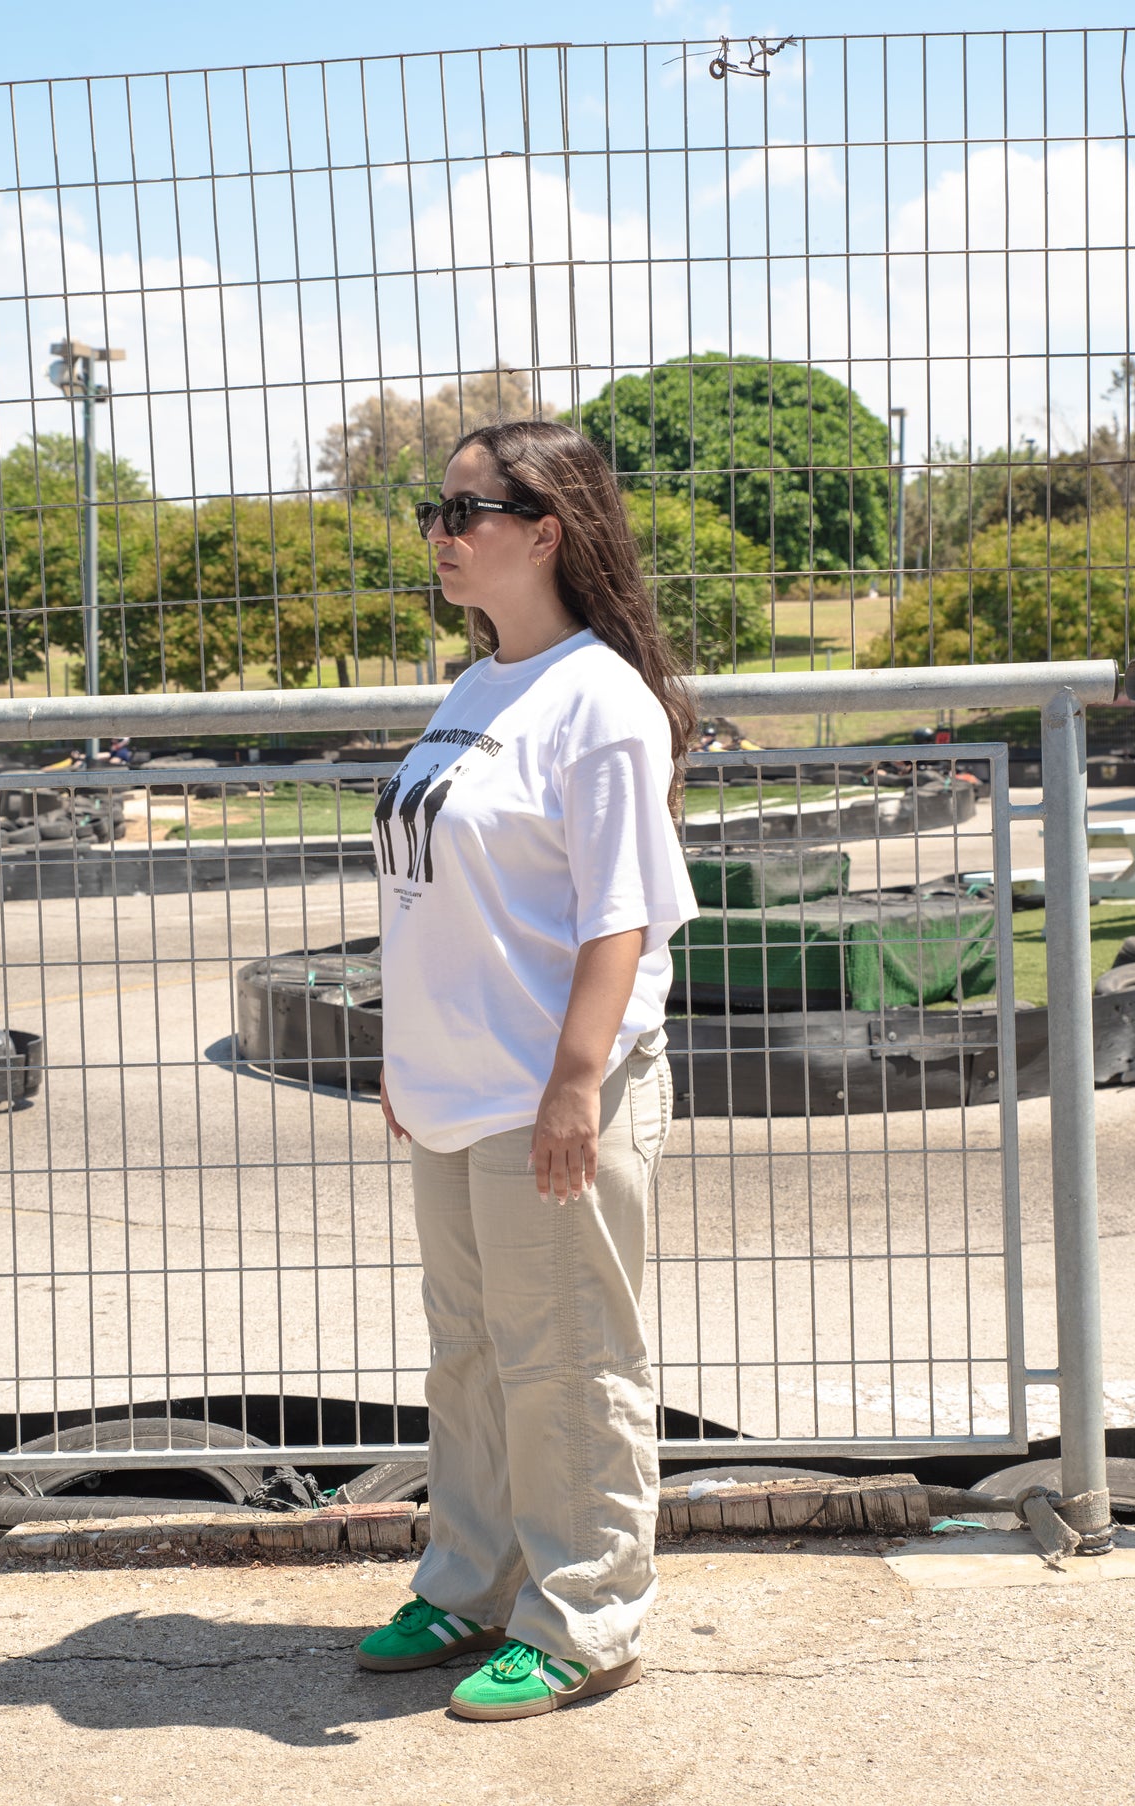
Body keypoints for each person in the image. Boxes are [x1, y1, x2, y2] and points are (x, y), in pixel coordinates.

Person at [356, 418, 698, 1722]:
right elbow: (427, 894)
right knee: (471, 1353)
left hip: (554, 1090)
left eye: (464, 510)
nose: (437, 533)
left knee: (565, 1356)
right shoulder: (477, 684)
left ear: (544, 529)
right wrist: (408, 1061)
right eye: (430, 510)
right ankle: (471, 1577)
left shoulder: (598, 699)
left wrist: (575, 1083)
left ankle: (584, 1614)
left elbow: (621, 915)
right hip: (455, 1087)